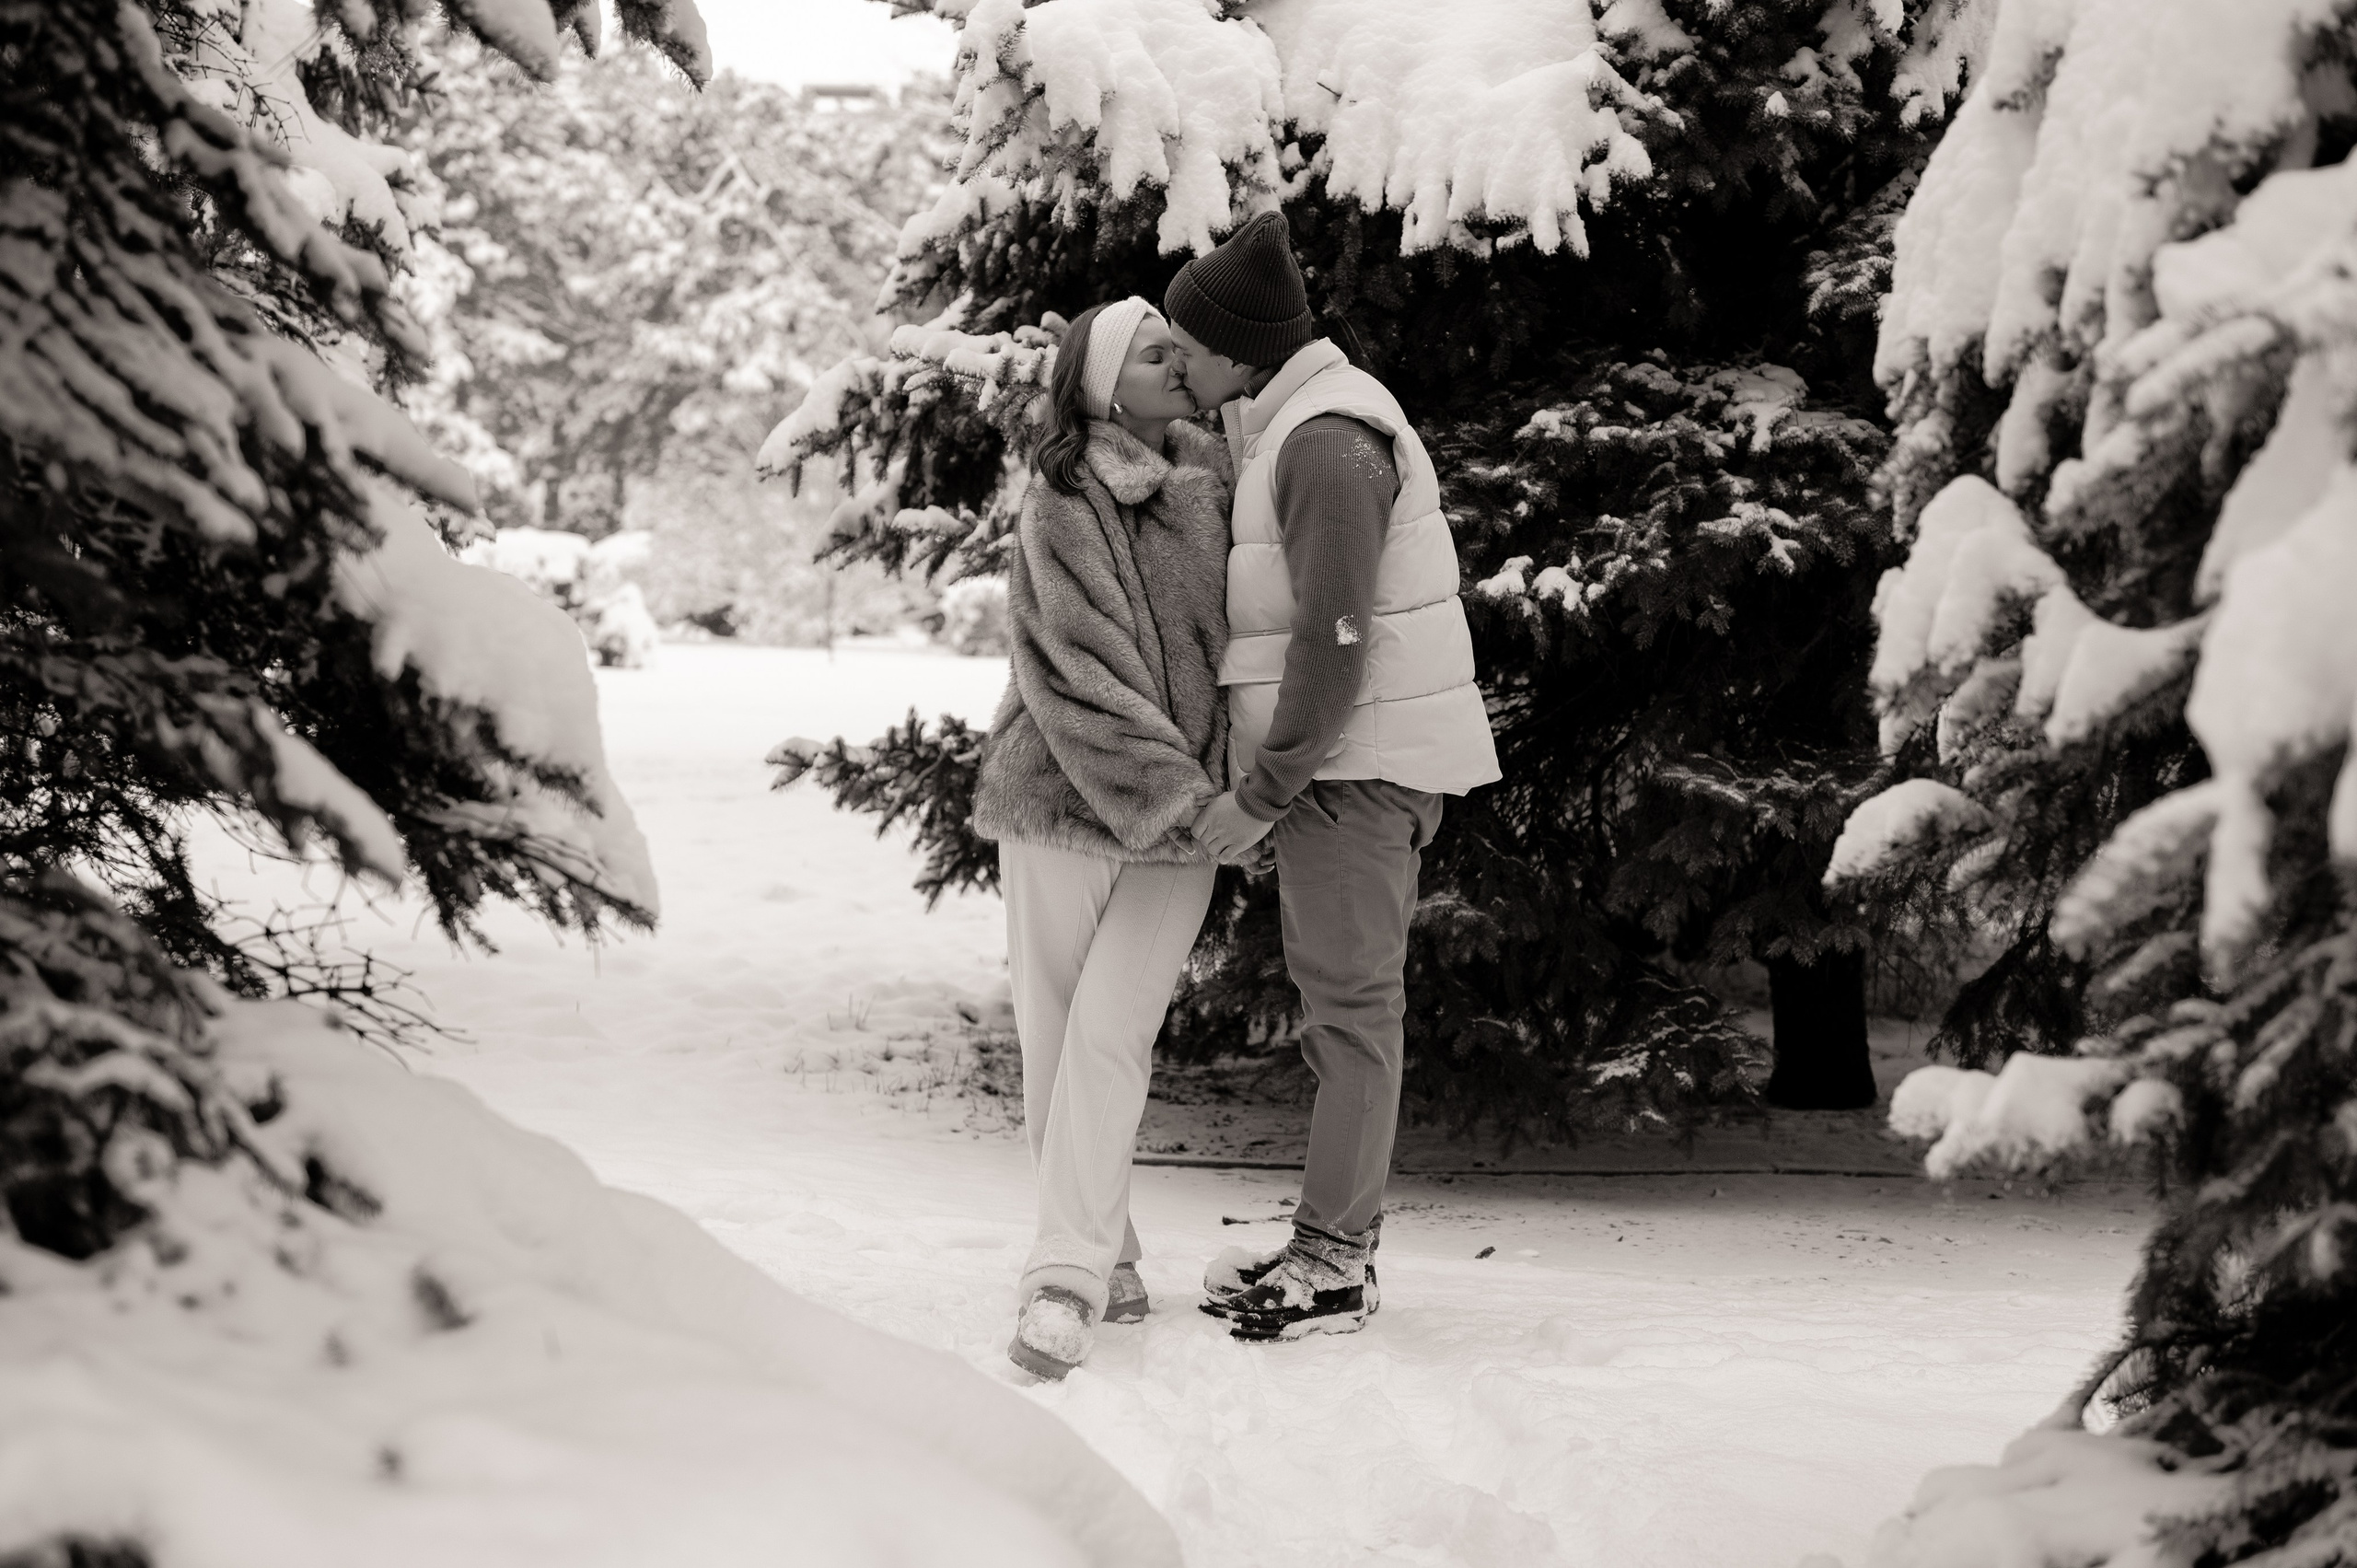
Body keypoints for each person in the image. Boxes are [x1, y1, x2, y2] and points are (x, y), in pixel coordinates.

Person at [1165, 212, 1502, 1342]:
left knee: (1354, 1013)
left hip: (1355, 770)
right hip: (1343, 767)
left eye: (1187, 343)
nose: (1176, 360)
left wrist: (1262, 789)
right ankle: (1326, 1234)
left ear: (1241, 347)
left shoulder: (1325, 439)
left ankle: (1334, 1261)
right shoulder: (1297, 421)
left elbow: (1336, 635)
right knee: (1339, 1008)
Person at [970, 296, 1235, 1380]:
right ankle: (1089, 1265)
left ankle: (1064, 1269)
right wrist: (1176, 792)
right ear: (1101, 384)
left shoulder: (1225, 480)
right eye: (1154, 353)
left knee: (1115, 1028)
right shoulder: (1064, 494)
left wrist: (1216, 794)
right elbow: (1075, 672)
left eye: (1178, 348)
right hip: (1063, 798)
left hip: (1192, 811)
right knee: (1057, 1032)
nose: (1179, 362)